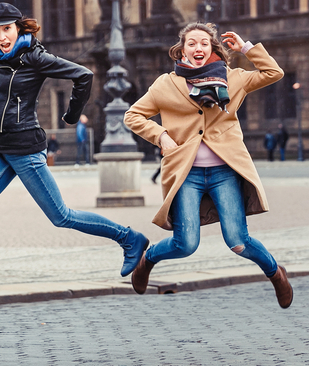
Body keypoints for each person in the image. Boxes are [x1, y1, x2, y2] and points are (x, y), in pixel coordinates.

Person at [0, 3, 149, 287]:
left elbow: (84, 75)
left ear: (18, 28)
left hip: (27, 149)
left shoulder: (35, 57)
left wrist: (71, 114)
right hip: (1, 148)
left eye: (7, 29)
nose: (1, 37)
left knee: (62, 216)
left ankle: (129, 238)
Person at [123, 22, 293, 308]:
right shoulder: (166, 84)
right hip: (186, 174)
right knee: (185, 244)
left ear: (212, 48)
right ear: (183, 49)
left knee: (238, 240)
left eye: (204, 43)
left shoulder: (232, 78)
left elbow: (273, 73)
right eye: (192, 43)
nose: (198, 48)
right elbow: (133, 115)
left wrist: (246, 49)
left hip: (224, 172)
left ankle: (276, 274)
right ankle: (146, 261)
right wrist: (161, 136)